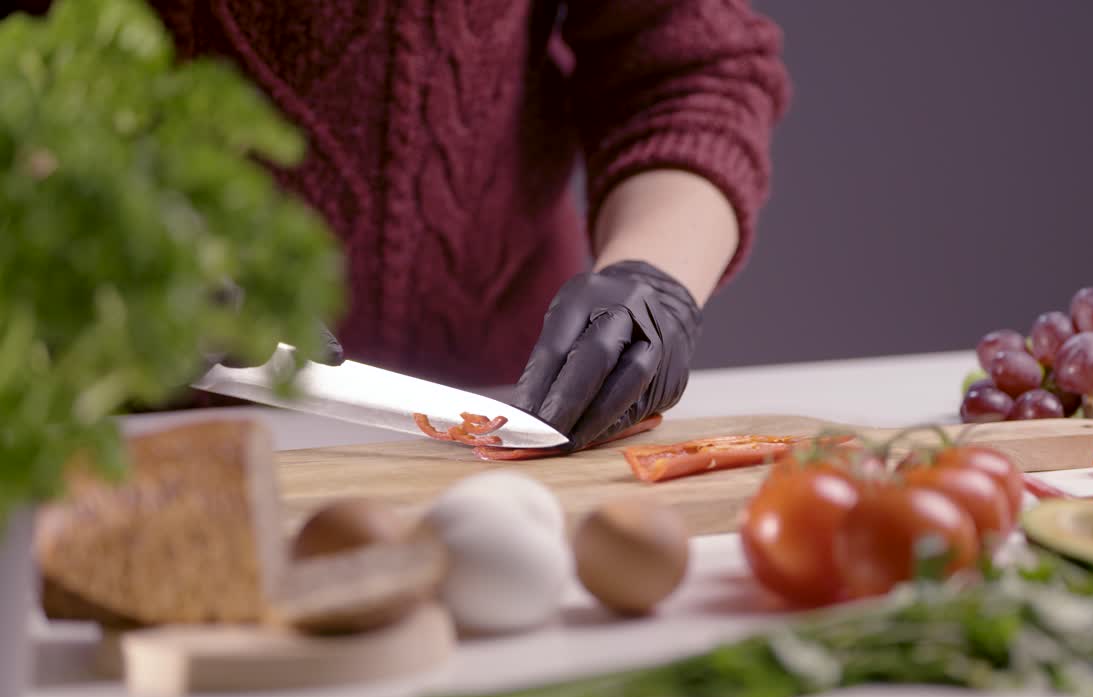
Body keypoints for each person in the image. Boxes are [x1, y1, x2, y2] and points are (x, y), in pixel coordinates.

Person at [17, 0, 792, 449]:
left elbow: (686, 66)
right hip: (104, 432)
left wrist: (653, 282)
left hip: (511, 400)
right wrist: (84, 244)